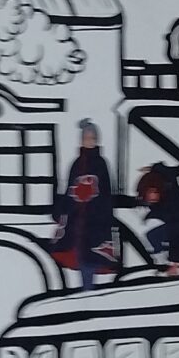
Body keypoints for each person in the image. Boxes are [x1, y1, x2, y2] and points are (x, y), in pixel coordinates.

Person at [52, 121, 118, 290]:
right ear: (81, 140)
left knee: (91, 254)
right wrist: (63, 209)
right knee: (79, 254)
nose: (90, 141)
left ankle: (89, 290)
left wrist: (103, 215)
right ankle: (86, 289)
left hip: (95, 219)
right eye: (87, 138)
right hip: (77, 219)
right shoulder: (76, 163)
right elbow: (70, 189)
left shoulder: (101, 163)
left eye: (92, 138)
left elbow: (105, 193)